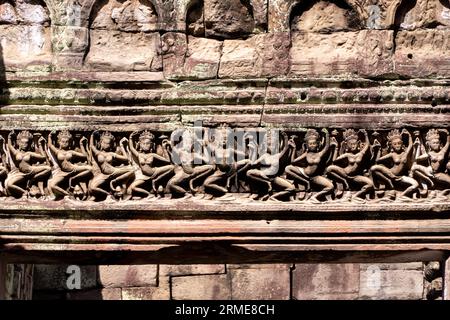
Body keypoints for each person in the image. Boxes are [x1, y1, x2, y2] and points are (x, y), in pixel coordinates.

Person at [284, 128, 335, 203]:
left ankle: (315, 197)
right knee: (288, 168)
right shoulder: (306, 154)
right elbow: (293, 161)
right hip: (304, 174)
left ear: (318, 144)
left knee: (331, 186)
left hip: (314, 177)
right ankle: (305, 182)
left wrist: (327, 134)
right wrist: (294, 148)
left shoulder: (319, 154)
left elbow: (326, 147)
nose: (312, 145)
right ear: (306, 145)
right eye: (310, 144)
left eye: (314, 143)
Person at [326, 129, 374, 202]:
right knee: (329, 169)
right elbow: (334, 160)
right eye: (350, 144)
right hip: (344, 173)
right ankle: (343, 181)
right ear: (346, 145)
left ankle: (356, 196)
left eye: (354, 143)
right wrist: (336, 148)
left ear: (358, 143)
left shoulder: (360, 154)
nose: (353, 145)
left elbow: (367, 145)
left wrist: (366, 134)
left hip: (355, 177)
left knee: (370, 184)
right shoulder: (347, 155)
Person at [370, 129, 419, 199]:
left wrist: (409, 135)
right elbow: (378, 160)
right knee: (373, 168)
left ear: (402, 143)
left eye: (399, 143)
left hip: (401, 177)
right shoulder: (392, 154)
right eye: (395, 144)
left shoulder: (405, 154)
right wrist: (379, 149)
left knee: (416, 185)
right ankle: (388, 181)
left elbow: (410, 145)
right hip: (390, 173)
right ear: (391, 145)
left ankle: (403, 195)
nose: (397, 145)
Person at [88, 131, 135, 200]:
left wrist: (122, 146)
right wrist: (92, 135)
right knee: (92, 188)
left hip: (113, 171)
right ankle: (108, 195)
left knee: (132, 170)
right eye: (104, 143)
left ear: (111, 145)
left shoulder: (112, 154)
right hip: (103, 175)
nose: (106, 145)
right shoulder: (98, 153)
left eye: (108, 143)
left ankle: (116, 181)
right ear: (100, 143)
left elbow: (126, 159)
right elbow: (91, 146)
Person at [127, 130, 174, 198]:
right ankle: (149, 194)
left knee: (172, 167)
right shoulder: (139, 155)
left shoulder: (152, 155)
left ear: (151, 144)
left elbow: (167, 160)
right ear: (140, 144)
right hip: (144, 177)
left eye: (148, 143)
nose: (145, 145)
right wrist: (130, 137)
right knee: (133, 187)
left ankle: (156, 180)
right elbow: (131, 148)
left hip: (154, 172)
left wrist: (164, 148)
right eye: (143, 143)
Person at [47, 130, 93, 199]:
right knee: (52, 185)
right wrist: (49, 136)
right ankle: (66, 194)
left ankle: (74, 179)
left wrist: (81, 144)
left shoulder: (71, 152)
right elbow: (50, 145)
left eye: (67, 142)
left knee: (90, 168)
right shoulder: (57, 151)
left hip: (73, 169)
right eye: (63, 141)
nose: (65, 143)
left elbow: (84, 155)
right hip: (63, 172)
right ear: (59, 142)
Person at [5, 130, 51, 198]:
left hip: (31, 171)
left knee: (48, 169)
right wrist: (9, 137)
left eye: (26, 143)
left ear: (29, 144)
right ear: (19, 143)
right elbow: (10, 146)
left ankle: (33, 180)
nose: (24, 145)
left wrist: (40, 145)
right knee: (9, 184)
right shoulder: (16, 153)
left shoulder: (29, 153)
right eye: (22, 143)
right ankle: (24, 192)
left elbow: (43, 157)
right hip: (22, 174)